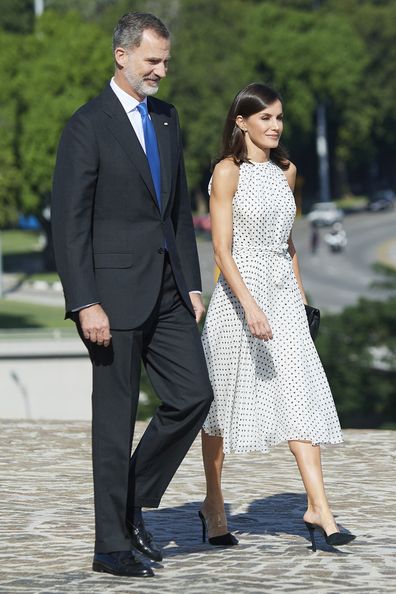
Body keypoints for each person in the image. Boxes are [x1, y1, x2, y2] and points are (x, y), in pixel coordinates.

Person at [51, 12, 213, 578]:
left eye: (166, 61)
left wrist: (193, 284)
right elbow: (69, 225)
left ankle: (129, 499)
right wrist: (83, 300)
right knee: (113, 424)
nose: (162, 71)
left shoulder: (167, 119)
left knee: (194, 395)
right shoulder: (87, 125)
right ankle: (110, 546)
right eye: (153, 60)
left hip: (169, 291)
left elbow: (178, 210)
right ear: (122, 56)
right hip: (110, 300)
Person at [199, 83, 355, 552]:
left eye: (279, 118)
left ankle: (319, 508)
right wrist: (249, 305)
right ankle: (213, 503)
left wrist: (301, 302)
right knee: (220, 412)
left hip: (283, 299)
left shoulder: (287, 171)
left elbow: (287, 244)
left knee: (298, 396)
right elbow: (222, 250)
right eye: (264, 118)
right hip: (237, 301)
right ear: (240, 122)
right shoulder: (226, 173)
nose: (274, 126)